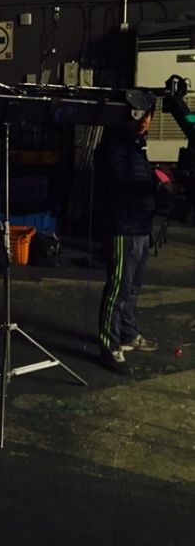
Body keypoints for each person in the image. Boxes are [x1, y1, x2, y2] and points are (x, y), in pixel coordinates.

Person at [93, 98, 158, 376]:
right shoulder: (113, 145)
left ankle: (128, 334)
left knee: (133, 287)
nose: (144, 121)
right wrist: (150, 186)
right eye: (139, 115)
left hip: (141, 225)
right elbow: (117, 183)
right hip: (122, 228)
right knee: (118, 290)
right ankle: (109, 348)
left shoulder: (137, 145)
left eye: (149, 115)